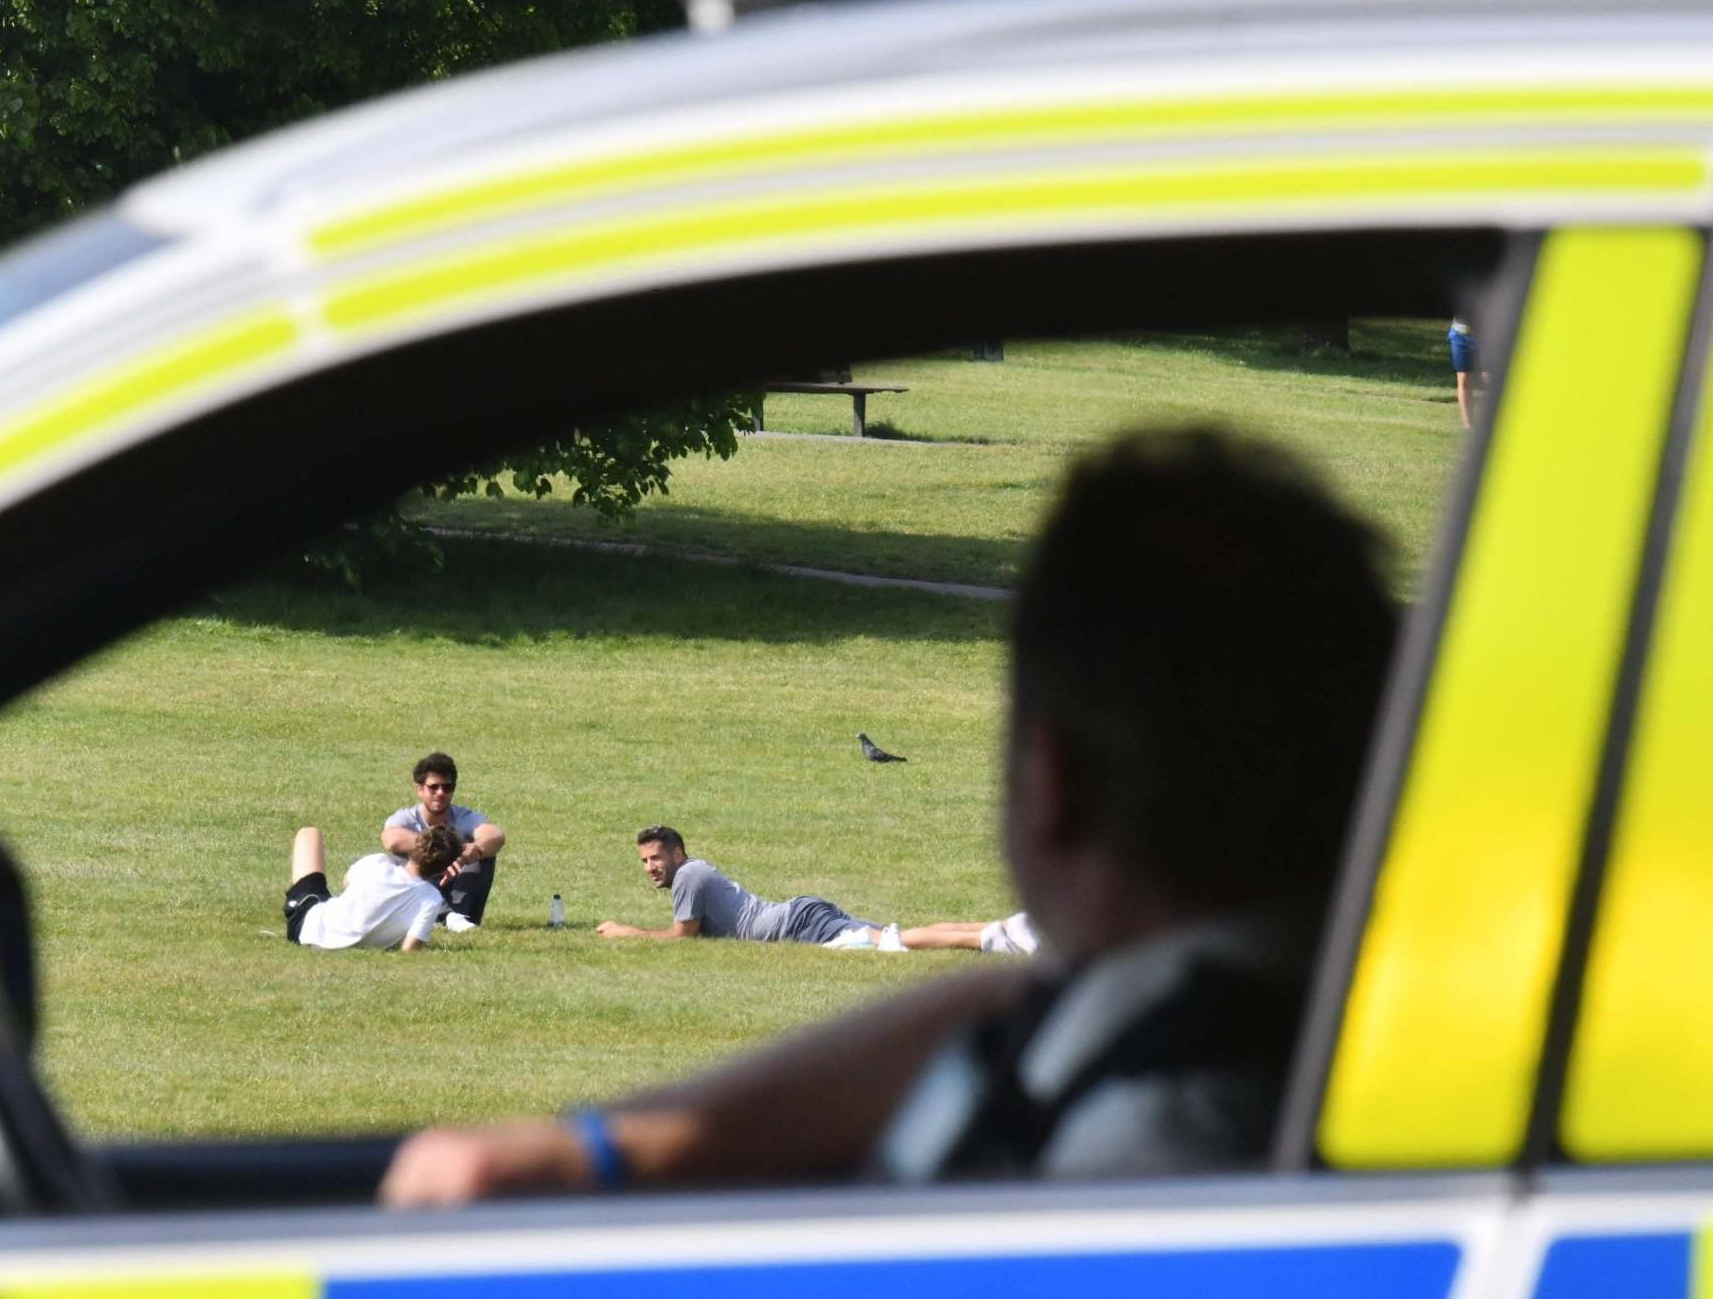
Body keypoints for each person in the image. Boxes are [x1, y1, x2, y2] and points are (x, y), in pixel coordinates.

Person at [380, 427, 1398, 1205]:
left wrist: (594, 1152)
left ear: (1049, 779)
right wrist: (597, 1148)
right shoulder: (1314, 1007)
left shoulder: (1130, 1141)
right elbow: (997, 1013)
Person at [596, 826, 1030, 954]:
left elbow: (680, 938)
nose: (651, 867)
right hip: (801, 914)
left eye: (656, 858)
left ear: (677, 853)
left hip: (797, 925)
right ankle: (1006, 927)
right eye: (644, 861)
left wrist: (624, 932)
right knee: (895, 935)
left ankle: (989, 940)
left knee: (895, 944)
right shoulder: (696, 873)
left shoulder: (689, 876)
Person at [284, 823, 463, 952]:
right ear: (442, 868)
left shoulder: (378, 862)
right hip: (325, 939)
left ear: (415, 846)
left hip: (308, 927)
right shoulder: (431, 899)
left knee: (309, 832)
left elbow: (347, 882)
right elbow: (410, 949)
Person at [382, 752, 505, 931]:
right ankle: (445, 917)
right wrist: (447, 850)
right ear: (420, 789)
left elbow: (496, 835)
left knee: (483, 854)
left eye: (447, 788)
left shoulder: (463, 817)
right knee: (398, 858)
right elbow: (391, 840)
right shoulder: (406, 819)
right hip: (423, 888)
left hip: (457, 889)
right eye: (434, 787)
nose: (440, 793)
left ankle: (458, 917)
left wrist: (474, 849)